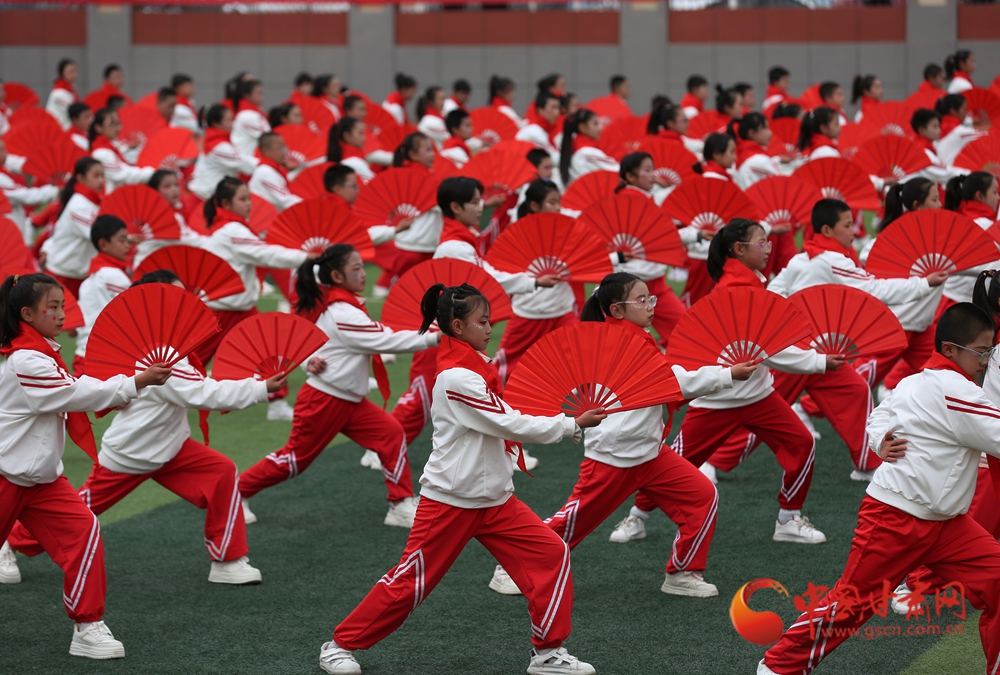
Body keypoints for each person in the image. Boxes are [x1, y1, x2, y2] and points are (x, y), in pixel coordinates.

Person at [318, 282, 606, 675]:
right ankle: (339, 645)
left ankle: (548, 653)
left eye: (489, 321)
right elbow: (506, 423)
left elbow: (505, 417)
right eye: (482, 322)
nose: (490, 328)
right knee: (411, 582)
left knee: (552, 553)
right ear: (457, 326)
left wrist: (561, 422)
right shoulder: (457, 377)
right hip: (450, 500)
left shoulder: (475, 368)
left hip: (494, 499)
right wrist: (570, 424)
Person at [758, 303, 1000, 675]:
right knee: (852, 604)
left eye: (989, 351)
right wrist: (878, 441)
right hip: (896, 517)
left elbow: (880, 414)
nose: (985, 361)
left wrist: (877, 441)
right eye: (981, 352)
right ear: (950, 350)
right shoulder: (954, 389)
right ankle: (776, 667)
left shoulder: (918, 380)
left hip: (944, 522)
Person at [4, 269, 281, 587]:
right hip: (131, 453)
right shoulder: (159, 355)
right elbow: (204, 393)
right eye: (177, 296)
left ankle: (227, 560)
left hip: (172, 447)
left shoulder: (169, 348)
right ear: (157, 305)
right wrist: (261, 388)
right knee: (76, 515)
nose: (187, 301)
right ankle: (10, 542)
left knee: (222, 472)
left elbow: (200, 386)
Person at [491, 271, 748, 598]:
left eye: (650, 298)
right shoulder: (619, 342)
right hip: (614, 457)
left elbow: (668, 382)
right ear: (616, 310)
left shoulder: (635, 337)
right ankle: (510, 566)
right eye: (641, 300)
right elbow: (673, 383)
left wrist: (723, 375)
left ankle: (682, 572)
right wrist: (727, 375)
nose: (651, 305)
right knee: (570, 524)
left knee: (702, 496)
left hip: (649, 452)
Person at [616, 219, 837, 546]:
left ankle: (789, 519)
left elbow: (763, 344)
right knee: (672, 463)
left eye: (767, 242)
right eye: (761, 243)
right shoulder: (736, 287)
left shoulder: (748, 281)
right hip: (718, 397)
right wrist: (818, 361)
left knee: (802, 443)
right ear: (739, 249)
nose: (768, 249)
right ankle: (637, 517)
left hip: (757, 394)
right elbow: (766, 348)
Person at [0, 272, 170, 659]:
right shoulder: (27, 359)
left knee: (85, 530)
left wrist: (129, 384)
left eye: (63, 305)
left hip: (39, 477)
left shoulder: (40, 353)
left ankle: (88, 625)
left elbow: (74, 390)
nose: (62, 314)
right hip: (7, 474)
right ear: (27, 314)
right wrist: (137, 381)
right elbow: (74, 393)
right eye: (53, 307)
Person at [240, 244, 434, 529]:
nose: (363, 273)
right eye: (356, 268)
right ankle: (236, 492)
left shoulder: (339, 304)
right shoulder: (342, 310)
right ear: (336, 276)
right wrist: (434, 336)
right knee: (294, 460)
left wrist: (308, 361)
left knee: (391, 433)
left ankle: (400, 504)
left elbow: (311, 339)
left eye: (362, 266)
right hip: (324, 400)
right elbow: (384, 339)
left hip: (347, 399)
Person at [195, 177, 313, 426]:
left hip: (239, 309)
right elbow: (266, 254)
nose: (248, 203)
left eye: (248, 197)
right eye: (242, 198)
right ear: (225, 204)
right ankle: (150, 394)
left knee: (269, 351)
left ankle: (277, 402)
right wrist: (305, 257)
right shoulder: (232, 230)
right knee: (187, 362)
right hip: (217, 312)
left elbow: (264, 252)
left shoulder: (232, 228)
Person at [69, 215, 131, 375]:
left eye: (127, 240)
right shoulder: (114, 276)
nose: (128, 245)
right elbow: (133, 314)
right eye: (122, 240)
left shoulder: (88, 281)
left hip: (83, 355)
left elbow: (74, 328)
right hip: (104, 360)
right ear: (103, 244)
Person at [40, 157, 105, 298]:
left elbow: (59, 230)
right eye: (96, 175)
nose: (101, 180)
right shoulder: (79, 205)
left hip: (78, 273)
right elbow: (98, 234)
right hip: (63, 274)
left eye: (103, 175)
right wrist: (127, 239)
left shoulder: (94, 202)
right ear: (80, 178)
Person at [134, 169, 204, 267]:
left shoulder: (173, 211)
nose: (174, 189)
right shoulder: (160, 217)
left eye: (176, 185)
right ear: (155, 191)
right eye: (167, 186)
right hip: (148, 268)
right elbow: (192, 241)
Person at [188, 104, 259, 201]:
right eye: (229, 120)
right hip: (202, 199)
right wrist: (270, 164)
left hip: (203, 197)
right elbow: (248, 165)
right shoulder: (219, 147)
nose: (233, 124)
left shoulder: (213, 141)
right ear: (216, 123)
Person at [0, 138, 59, 245]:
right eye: (1, 150)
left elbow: (24, 163)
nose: (5, 153)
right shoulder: (1, 179)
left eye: (3, 149)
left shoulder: (5, 167)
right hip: (8, 234)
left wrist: (45, 165)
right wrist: (56, 190)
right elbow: (27, 197)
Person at [89, 107, 157, 192]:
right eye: (112, 124)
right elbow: (122, 175)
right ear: (98, 127)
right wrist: (153, 173)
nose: (118, 128)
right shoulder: (101, 153)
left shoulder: (112, 146)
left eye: (118, 124)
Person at [559, 109, 618, 186]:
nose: (600, 128)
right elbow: (617, 170)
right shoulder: (587, 153)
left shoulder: (575, 151)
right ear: (583, 127)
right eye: (595, 123)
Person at [909, 108, 967, 184]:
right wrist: (971, 175)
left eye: (939, 126)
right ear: (922, 130)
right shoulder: (921, 152)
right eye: (935, 126)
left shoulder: (918, 146)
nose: (939, 130)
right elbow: (946, 173)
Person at [248, 132, 301, 213]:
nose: (284, 152)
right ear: (266, 150)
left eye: (284, 147)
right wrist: (311, 205)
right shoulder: (265, 172)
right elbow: (286, 200)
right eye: (280, 148)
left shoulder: (275, 170)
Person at [516, 91, 563, 162]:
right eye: (553, 107)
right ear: (540, 110)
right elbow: (554, 158)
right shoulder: (533, 130)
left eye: (558, 108)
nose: (557, 112)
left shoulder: (546, 129)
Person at [229, 79, 270, 159]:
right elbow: (270, 138)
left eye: (262, 93)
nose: (261, 96)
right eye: (258, 93)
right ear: (246, 95)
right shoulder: (247, 115)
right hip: (246, 161)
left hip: (246, 160)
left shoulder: (253, 112)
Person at [326, 117, 375, 183]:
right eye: (360, 133)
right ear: (347, 135)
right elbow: (374, 183)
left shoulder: (346, 160)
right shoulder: (354, 162)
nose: (364, 138)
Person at [46, 59, 78, 130]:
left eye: (75, 71)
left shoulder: (72, 89)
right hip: (59, 129)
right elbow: (73, 112)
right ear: (62, 73)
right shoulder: (59, 93)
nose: (74, 74)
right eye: (70, 71)